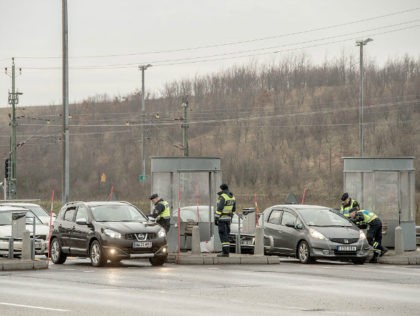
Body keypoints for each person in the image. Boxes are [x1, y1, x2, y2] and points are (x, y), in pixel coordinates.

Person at [215, 183, 236, 257]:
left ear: (222, 189)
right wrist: (231, 217)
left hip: (222, 219)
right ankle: (225, 251)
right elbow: (234, 209)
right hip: (228, 219)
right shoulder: (232, 197)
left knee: (223, 235)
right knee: (226, 235)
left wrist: (216, 218)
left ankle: (225, 253)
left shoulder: (223, 197)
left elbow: (219, 208)